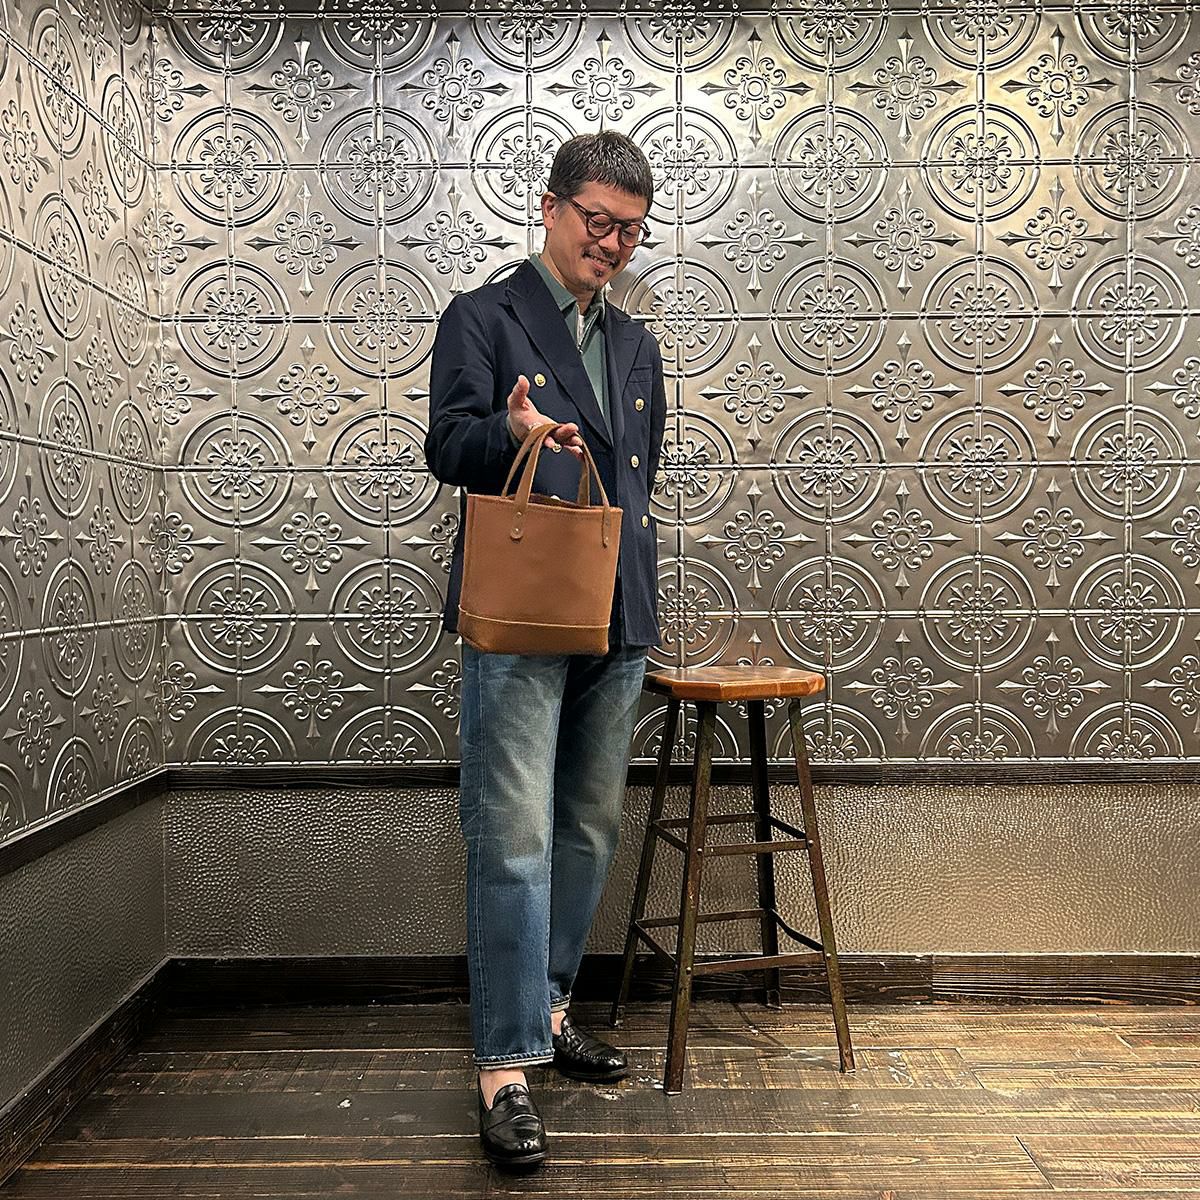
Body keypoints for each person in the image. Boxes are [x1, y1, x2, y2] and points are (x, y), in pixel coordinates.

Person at [424, 131, 667, 1171]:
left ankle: (552, 1006)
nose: (611, 244)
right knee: (513, 836)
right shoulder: (484, 316)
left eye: (631, 231)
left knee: (587, 827)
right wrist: (512, 434)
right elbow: (446, 444)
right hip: (524, 612)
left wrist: (638, 599)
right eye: (597, 221)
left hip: (618, 612)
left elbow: (639, 482)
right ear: (551, 208)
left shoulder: (638, 344)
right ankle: (505, 1067)